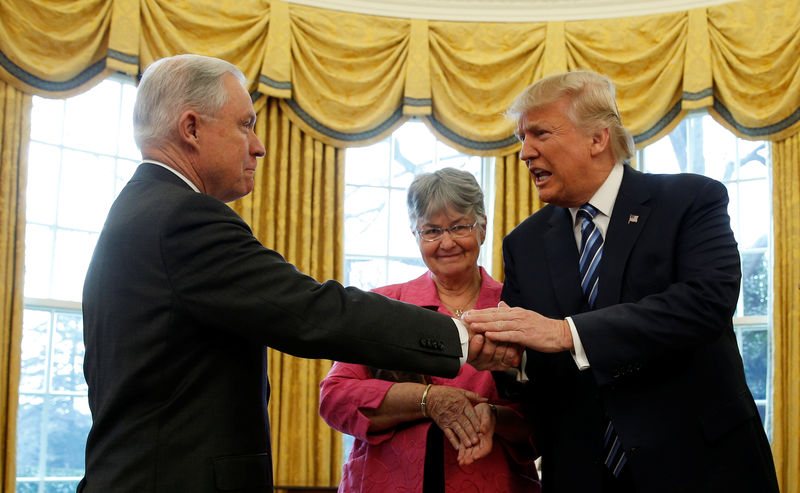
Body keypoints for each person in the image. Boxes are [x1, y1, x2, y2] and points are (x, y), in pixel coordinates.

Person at [78, 54, 518, 493]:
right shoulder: (182, 217)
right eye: (245, 124)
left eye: (459, 227)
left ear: (481, 227)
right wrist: (460, 338)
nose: (259, 145)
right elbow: (311, 311)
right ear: (191, 128)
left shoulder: (142, 209)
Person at [463, 70, 780, 493]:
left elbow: (705, 304)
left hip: (702, 466)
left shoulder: (691, 201)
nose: (525, 153)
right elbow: (536, 376)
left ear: (597, 138)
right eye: (522, 138)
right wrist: (512, 362)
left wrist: (566, 332)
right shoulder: (523, 242)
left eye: (539, 133)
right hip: (581, 474)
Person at [320, 168, 539, 492]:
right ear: (415, 234)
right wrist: (427, 399)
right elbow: (335, 398)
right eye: (432, 231)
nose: (446, 242)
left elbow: (546, 416)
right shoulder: (383, 305)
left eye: (459, 227)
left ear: (482, 227)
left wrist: (492, 416)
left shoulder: (516, 309)